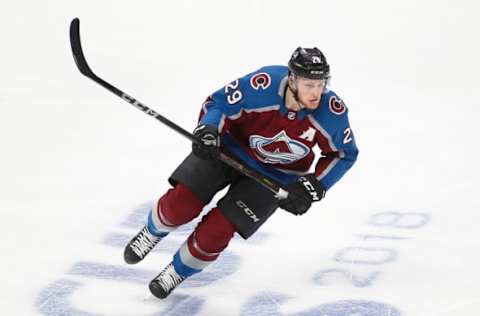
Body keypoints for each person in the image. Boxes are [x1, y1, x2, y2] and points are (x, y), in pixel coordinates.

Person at [123, 47, 359, 299]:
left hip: (277, 175)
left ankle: (177, 271)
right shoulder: (263, 84)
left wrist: (315, 185)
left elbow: (344, 154)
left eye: (321, 84)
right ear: (292, 80)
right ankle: (152, 232)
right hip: (229, 149)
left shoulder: (331, 112)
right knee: (180, 205)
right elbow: (220, 103)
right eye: (308, 84)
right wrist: (209, 129)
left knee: (215, 234)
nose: (316, 92)